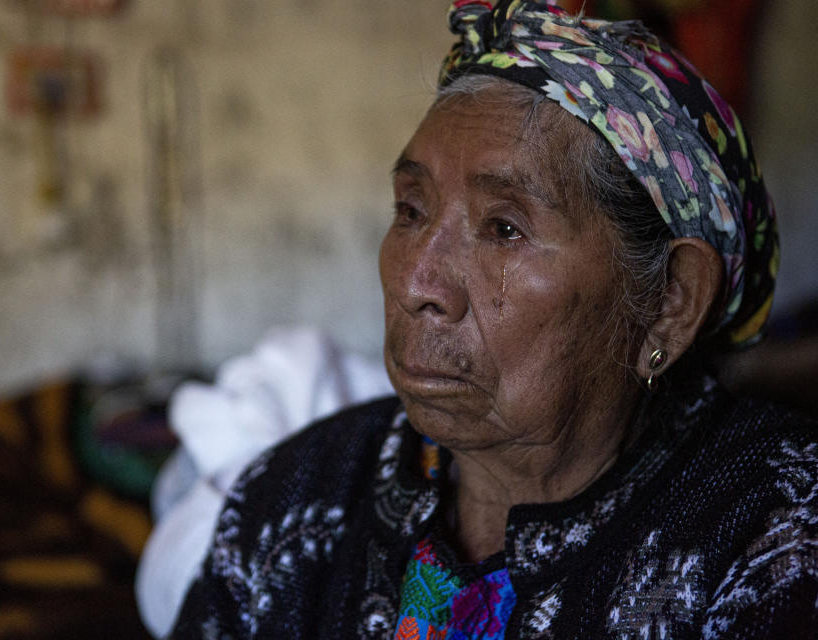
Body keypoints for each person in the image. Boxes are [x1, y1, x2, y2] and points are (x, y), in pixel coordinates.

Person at [171, 1, 816, 637]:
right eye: (411, 210)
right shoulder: (296, 498)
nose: (417, 282)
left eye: (504, 228)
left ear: (671, 300)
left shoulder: (777, 533)